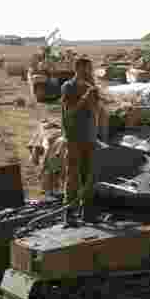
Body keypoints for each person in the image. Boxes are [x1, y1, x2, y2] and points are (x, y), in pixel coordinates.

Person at [60, 57, 100, 226]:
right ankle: (69, 213)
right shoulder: (68, 87)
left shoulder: (90, 88)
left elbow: (95, 112)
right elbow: (69, 111)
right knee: (73, 176)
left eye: (90, 70)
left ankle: (87, 212)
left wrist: (92, 96)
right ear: (77, 69)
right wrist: (85, 97)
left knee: (89, 176)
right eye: (86, 69)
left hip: (89, 138)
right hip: (74, 138)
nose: (89, 73)